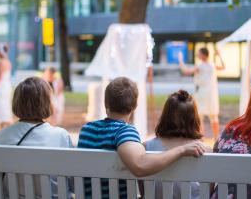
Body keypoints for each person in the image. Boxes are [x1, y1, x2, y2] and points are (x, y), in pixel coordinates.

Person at [78, 77, 206, 199]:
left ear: (106, 102)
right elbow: (140, 165)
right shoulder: (125, 132)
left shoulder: (86, 130)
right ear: (134, 107)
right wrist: (181, 150)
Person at [0, 77, 73, 198]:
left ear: (17, 102)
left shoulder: (2, 136)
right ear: (47, 103)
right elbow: (72, 183)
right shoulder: (60, 136)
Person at [145, 89, 211, 199]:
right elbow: (207, 193)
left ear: (165, 117)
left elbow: (144, 193)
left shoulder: (146, 147)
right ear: (194, 119)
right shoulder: (206, 150)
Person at [178, 47, 225, 140]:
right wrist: (219, 55)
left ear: (203, 55)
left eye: (199, 53)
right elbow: (223, 66)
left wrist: (180, 60)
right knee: (213, 116)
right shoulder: (212, 65)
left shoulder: (199, 66)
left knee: (199, 115)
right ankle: (216, 137)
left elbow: (186, 71)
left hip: (202, 93)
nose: (197, 55)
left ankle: (201, 137)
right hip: (212, 93)